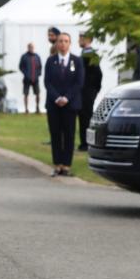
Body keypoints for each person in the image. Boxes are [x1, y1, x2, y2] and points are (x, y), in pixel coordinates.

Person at [44, 32, 84, 176]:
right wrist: (57, 98)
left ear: (70, 43)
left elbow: (79, 82)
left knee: (69, 135)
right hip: (54, 105)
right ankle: (57, 164)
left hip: (70, 105)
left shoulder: (76, 61)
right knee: (55, 134)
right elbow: (47, 82)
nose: (63, 44)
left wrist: (67, 98)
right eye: (60, 41)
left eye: (66, 41)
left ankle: (66, 165)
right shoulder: (51, 61)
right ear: (57, 43)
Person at [77, 34, 102, 151]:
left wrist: (94, 90)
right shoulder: (84, 54)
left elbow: (98, 74)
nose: (79, 40)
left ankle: (86, 143)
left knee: (86, 118)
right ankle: (84, 142)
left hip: (87, 92)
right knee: (83, 118)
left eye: (81, 38)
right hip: (83, 92)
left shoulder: (90, 55)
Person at [18, 42, 42, 113]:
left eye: (32, 47)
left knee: (37, 93)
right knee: (26, 94)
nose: (31, 48)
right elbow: (21, 66)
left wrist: (38, 74)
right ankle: (26, 109)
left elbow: (40, 66)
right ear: (28, 48)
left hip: (35, 78)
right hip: (27, 79)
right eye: (30, 47)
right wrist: (26, 73)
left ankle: (37, 108)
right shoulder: (24, 56)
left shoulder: (37, 56)